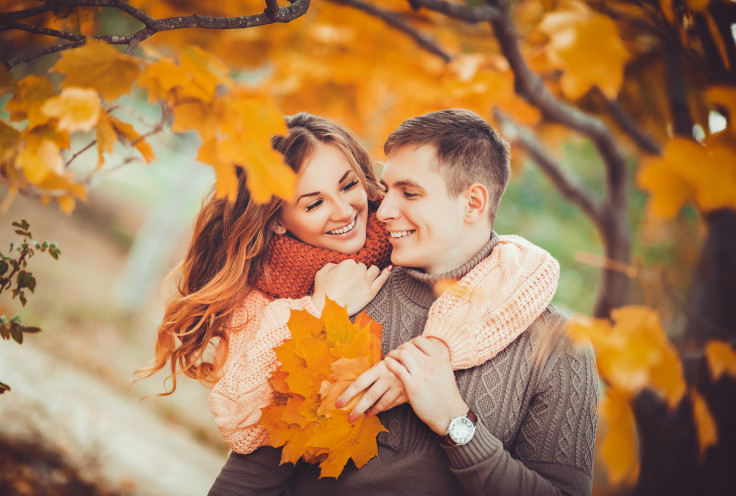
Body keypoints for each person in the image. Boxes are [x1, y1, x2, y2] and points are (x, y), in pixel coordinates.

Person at [208, 109, 599, 496]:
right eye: (386, 188)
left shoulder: (561, 350)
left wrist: (455, 423)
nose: (385, 209)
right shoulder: (351, 297)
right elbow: (253, 476)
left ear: (473, 204)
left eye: (409, 193)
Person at [138, 113, 559, 459]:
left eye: (348, 185)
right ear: (277, 219)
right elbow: (240, 427)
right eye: (314, 202)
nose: (345, 211)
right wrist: (320, 307)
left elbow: (528, 265)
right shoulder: (262, 296)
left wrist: (437, 351)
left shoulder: (399, 234)